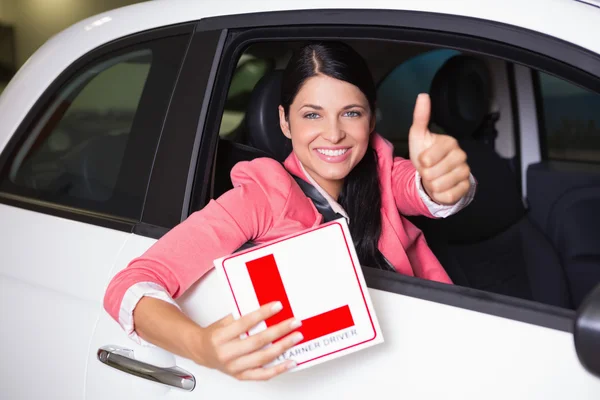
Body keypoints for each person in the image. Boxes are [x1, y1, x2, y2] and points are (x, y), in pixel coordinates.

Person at [103, 42, 476, 381]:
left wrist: (445, 183)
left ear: (371, 119)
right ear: (284, 121)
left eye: (351, 113)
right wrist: (200, 347)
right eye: (312, 115)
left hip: (429, 354)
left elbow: (424, 189)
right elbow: (130, 285)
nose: (333, 134)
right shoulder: (261, 197)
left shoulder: (380, 169)